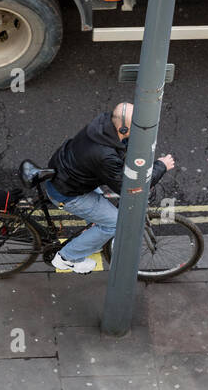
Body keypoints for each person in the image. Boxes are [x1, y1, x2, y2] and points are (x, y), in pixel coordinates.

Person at [45, 102, 175, 274]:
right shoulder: (104, 155)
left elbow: (121, 150)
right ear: (122, 129)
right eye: (136, 126)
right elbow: (128, 187)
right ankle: (67, 257)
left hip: (69, 174)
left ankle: (92, 239)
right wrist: (161, 166)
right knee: (115, 224)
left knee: (103, 216)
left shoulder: (103, 125)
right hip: (68, 193)